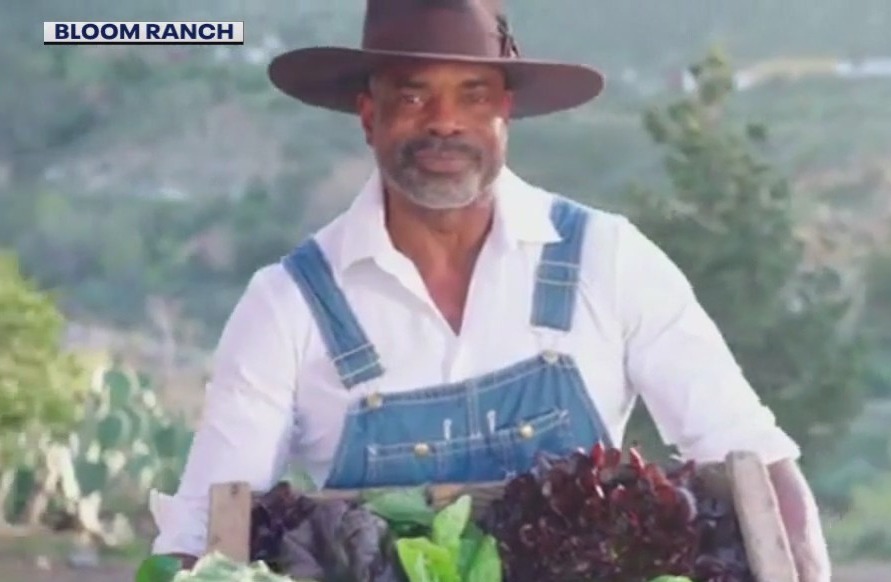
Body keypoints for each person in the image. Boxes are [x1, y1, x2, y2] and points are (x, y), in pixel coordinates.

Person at [150, 0, 832, 580]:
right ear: (368, 114)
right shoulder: (288, 305)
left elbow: (756, 466)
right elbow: (211, 529)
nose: (444, 121)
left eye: (472, 95)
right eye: (414, 94)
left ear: (504, 111)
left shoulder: (606, 259)